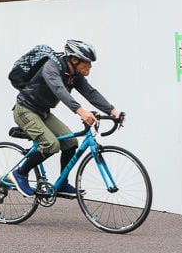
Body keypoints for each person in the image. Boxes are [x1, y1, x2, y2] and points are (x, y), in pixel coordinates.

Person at [9, 39, 122, 198]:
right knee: (51, 144)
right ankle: (20, 173)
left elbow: (90, 93)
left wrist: (112, 111)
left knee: (70, 143)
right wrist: (81, 111)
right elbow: (59, 90)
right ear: (74, 59)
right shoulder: (52, 67)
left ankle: (61, 183)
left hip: (43, 112)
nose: (90, 66)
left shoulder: (74, 74)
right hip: (25, 110)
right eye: (87, 62)